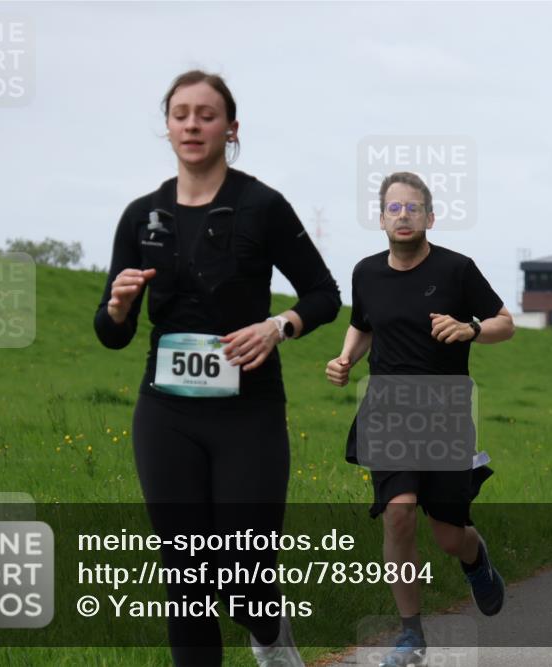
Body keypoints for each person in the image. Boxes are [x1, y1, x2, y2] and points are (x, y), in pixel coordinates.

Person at [94, 70, 341, 667]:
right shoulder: (140, 216)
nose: (192, 124)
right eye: (181, 114)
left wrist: (276, 327)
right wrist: (119, 305)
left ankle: (268, 632)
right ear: (168, 126)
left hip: (247, 411)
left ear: (230, 128)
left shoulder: (263, 206)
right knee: (185, 578)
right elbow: (110, 334)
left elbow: (323, 293)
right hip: (167, 412)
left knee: (243, 566)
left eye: (206, 114)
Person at [325, 172, 514, 667]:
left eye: (413, 208)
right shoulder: (366, 273)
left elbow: (504, 323)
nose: (403, 215)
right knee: (399, 510)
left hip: (446, 412)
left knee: (449, 534)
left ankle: (475, 558)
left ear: (430, 217)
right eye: (394, 208)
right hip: (387, 408)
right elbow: (363, 324)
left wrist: (469, 328)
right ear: (381, 217)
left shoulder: (457, 270)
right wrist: (345, 357)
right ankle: (411, 633)